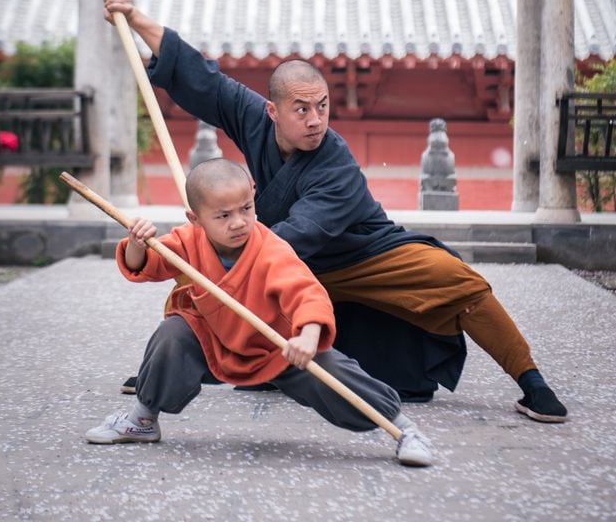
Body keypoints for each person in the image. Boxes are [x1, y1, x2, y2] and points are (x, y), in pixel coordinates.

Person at [103, 0, 567, 425]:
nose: (315, 120)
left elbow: (293, 236)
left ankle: (532, 381)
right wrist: (135, 17)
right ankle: (168, 367)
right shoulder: (252, 117)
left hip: (360, 255)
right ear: (273, 111)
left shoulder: (335, 163)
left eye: (322, 107)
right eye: (301, 110)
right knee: (198, 272)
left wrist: (227, 254)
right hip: (279, 249)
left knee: (457, 280)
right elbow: (204, 79)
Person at [86, 158, 433, 467]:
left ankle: (402, 429)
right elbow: (146, 265)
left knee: (331, 369)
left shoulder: (270, 249)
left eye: (246, 209)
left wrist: (308, 336)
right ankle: (142, 419)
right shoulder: (188, 240)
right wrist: (137, 243)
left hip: (274, 347)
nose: (239, 222)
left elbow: (305, 292)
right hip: (213, 342)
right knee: (173, 332)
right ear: (196, 218)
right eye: (223, 216)